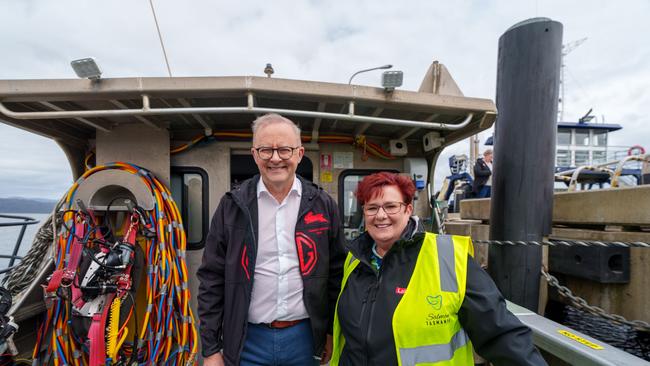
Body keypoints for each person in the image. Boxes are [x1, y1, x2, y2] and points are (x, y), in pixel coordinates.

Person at [331, 172, 547, 365]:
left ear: (408, 210)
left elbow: (499, 332)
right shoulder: (354, 260)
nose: (380, 215)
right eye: (372, 208)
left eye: (390, 206)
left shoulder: (448, 257)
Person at [198, 113, 346, 366]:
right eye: (266, 150)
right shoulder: (231, 206)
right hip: (247, 340)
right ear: (255, 155)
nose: (275, 158)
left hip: (306, 339)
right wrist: (211, 349)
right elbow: (212, 278)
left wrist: (331, 332)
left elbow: (336, 274)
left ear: (299, 154)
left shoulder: (323, 205)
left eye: (284, 150)